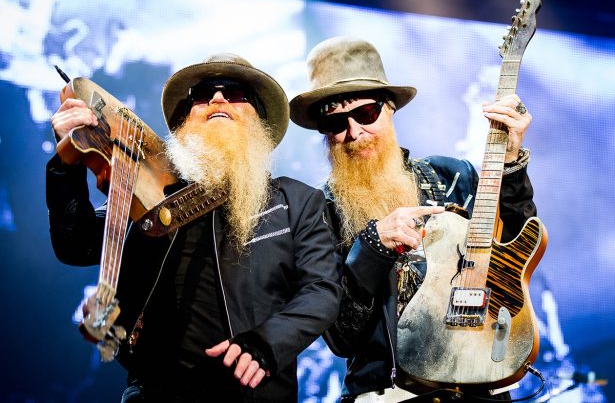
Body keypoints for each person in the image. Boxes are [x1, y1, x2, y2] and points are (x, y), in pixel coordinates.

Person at [46, 53, 342, 402]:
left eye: (235, 94)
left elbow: (322, 290)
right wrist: (66, 162)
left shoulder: (297, 201)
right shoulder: (151, 198)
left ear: (258, 121)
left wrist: (265, 343)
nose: (217, 99)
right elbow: (76, 245)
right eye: (202, 95)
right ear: (185, 121)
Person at [289, 36, 537, 402]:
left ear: (389, 108)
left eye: (366, 114)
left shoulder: (453, 176)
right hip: (386, 391)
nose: (354, 133)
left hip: (476, 382)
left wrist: (511, 164)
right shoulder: (317, 211)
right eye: (336, 122)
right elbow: (342, 338)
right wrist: (371, 248)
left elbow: (516, 253)